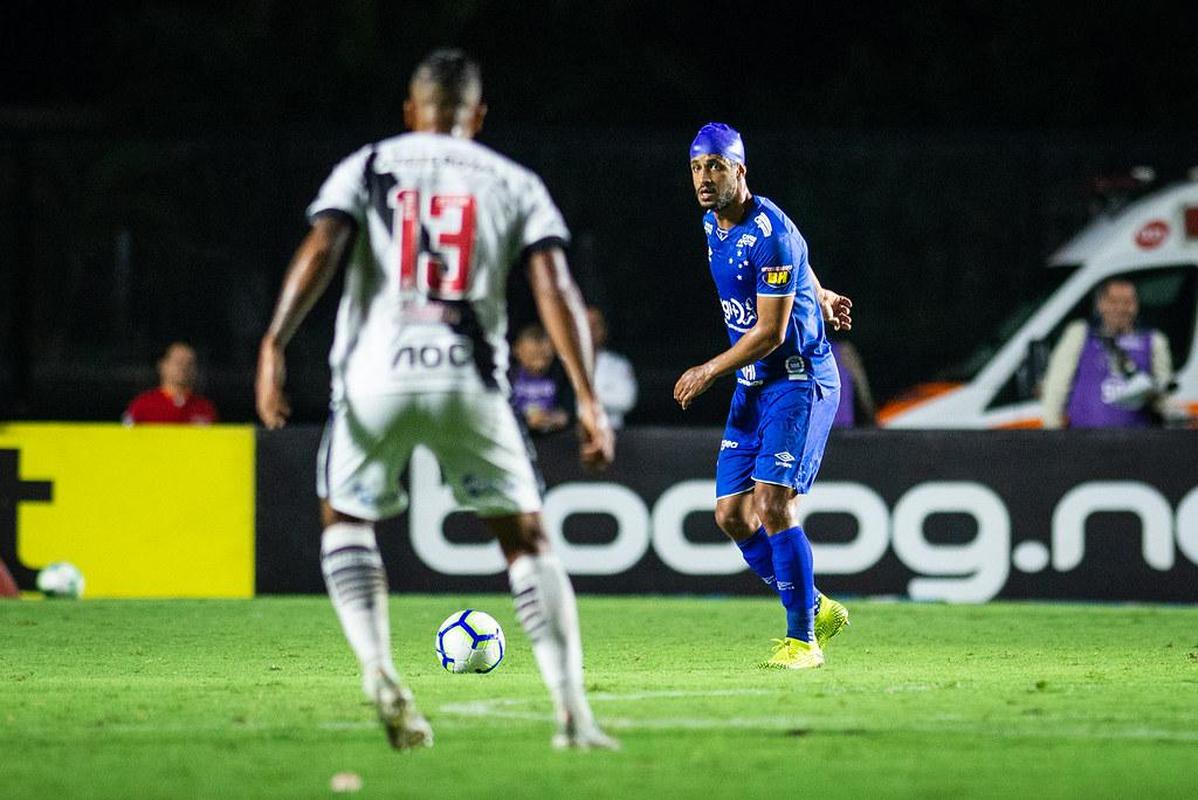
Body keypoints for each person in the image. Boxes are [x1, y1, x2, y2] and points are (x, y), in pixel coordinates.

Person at [255, 50, 617, 752]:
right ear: (476, 116)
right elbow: (554, 287)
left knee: (347, 515)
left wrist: (274, 342)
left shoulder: (367, 164)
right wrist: (587, 396)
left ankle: (380, 669)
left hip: (373, 377)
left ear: (409, 111)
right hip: (468, 377)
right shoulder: (514, 180)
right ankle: (573, 715)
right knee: (526, 538)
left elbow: (321, 249)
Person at [674, 123, 851, 670]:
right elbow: (799, 260)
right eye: (697, 168)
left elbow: (771, 334)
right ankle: (814, 604)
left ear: (740, 171)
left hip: (796, 380)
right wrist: (816, 291)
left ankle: (805, 642)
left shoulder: (769, 230)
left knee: (773, 504)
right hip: (755, 384)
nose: (705, 178)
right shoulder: (712, 224)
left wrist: (708, 370)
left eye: (716, 167)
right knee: (731, 514)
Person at [1041, 278, 1174, 428]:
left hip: (1137, 442)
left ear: (1136, 306)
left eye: (1128, 302)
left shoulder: (1154, 341)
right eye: (1113, 301)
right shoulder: (1079, 334)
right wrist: (1052, 432)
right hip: (1084, 441)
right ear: (1101, 305)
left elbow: (1165, 398)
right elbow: (1056, 387)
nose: (1121, 308)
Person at [123, 341, 219, 425]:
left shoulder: (205, 408)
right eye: (178, 362)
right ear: (163, 365)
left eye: (189, 363)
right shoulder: (143, 405)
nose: (184, 368)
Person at [510, 324, 572, 434]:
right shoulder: (507, 377)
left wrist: (557, 417)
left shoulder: (562, 376)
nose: (539, 362)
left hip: (554, 438)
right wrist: (525, 420)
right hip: (517, 435)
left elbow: (569, 412)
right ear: (517, 350)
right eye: (532, 355)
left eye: (545, 356)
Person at [587, 306, 638, 429]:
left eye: (596, 325)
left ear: (604, 329)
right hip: (566, 437)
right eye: (585, 324)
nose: (590, 330)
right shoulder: (561, 364)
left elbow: (626, 400)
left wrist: (585, 398)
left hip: (613, 433)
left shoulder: (618, 364)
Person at [829, 338, 876, 427]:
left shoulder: (843, 351)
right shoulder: (843, 351)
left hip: (842, 429)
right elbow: (863, 390)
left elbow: (863, 388)